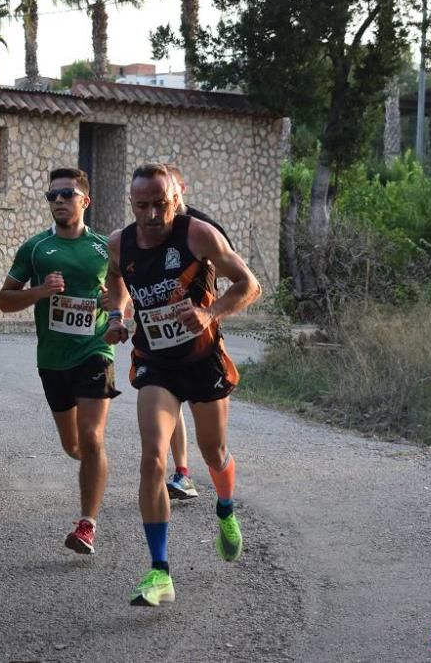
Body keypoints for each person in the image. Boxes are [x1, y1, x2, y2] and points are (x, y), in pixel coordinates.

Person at [104, 163, 262, 606]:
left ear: (177, 197)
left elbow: (249, 284)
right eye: (142, 206)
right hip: (157, 362)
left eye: (161, 204)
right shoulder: (119, 243)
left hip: (201, 360)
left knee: (213, 452)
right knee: (153, 458)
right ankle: (159, 572)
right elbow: (115, 280)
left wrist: (211, 314)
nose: (153, 214)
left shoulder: (199, 236)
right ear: (131, 204)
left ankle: (226, 507)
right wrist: (117, 317)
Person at [0, 167, 118, 556]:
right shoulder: (34, 248)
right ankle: (94, 467)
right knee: (73, 446)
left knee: (91, 436)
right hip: (52, 359)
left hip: (95, 351)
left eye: (67, 194)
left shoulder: (104, 248)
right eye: (52, 196)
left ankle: (87, 525)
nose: (59, 201)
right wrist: (40, 291)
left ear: (85, 200)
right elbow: (4, 301)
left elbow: (123, 293)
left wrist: (112, 306)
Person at [162, 164, 235, 502]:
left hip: (201, 339)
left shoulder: (204, 229)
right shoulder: (147, 232)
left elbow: (234, 275)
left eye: (168, 193)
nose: (161, 202)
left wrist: (207, 311)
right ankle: (180, 472)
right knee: (166, 403)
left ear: (181, 190)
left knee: (214, 448)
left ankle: (224, 500)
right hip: (160, 344)